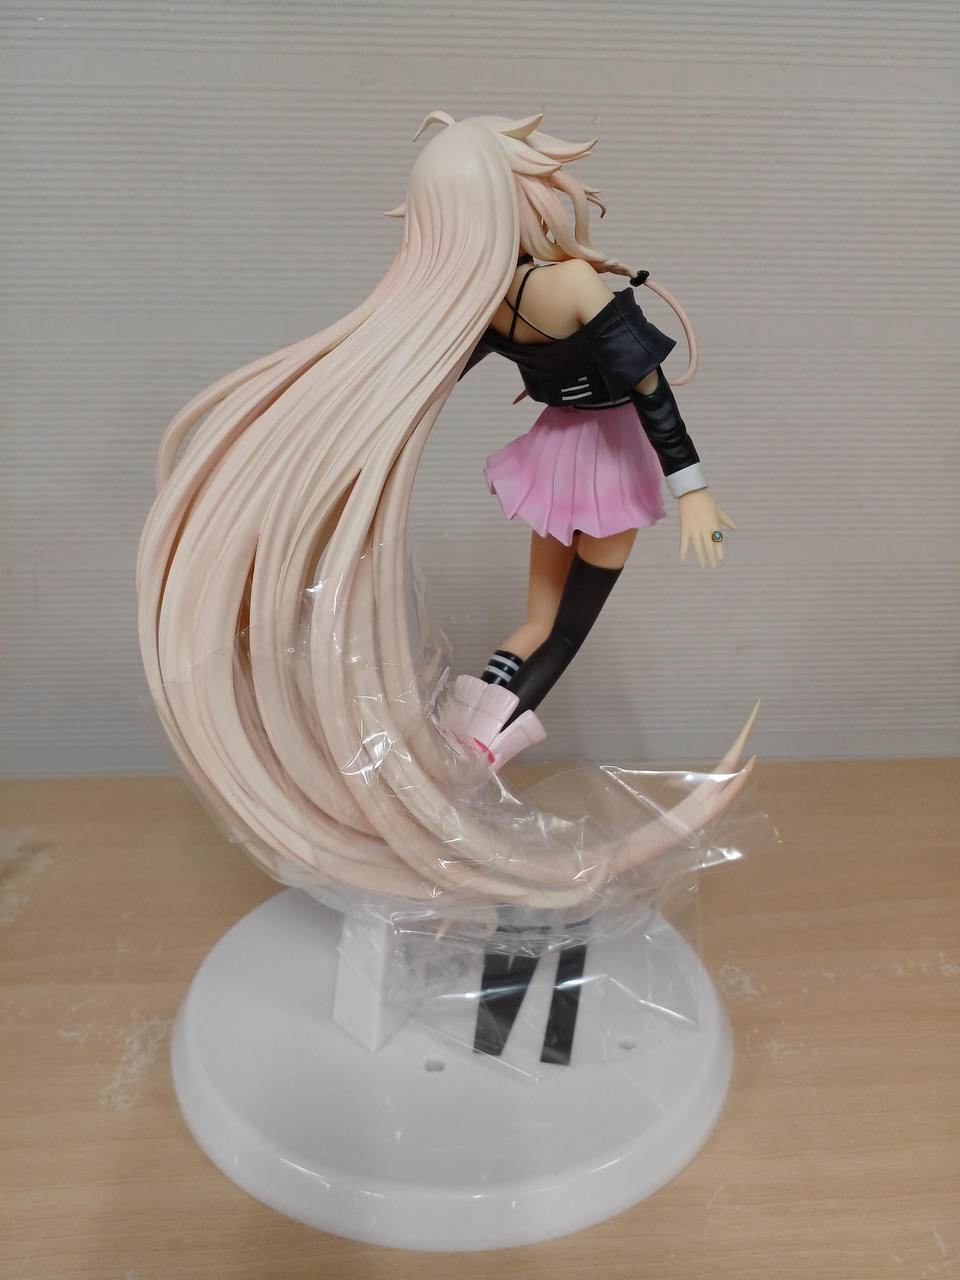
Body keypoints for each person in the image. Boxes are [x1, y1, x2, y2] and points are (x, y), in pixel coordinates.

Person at [136, 109, 751, 908]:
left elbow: (426, 382)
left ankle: (463, 738)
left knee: (535, 621)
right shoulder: (572, 285)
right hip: (609, 463)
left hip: (552, 457)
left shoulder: (488, 299)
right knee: (566, 629)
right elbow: (650, 390)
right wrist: (692, 490)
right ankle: (481, 750)